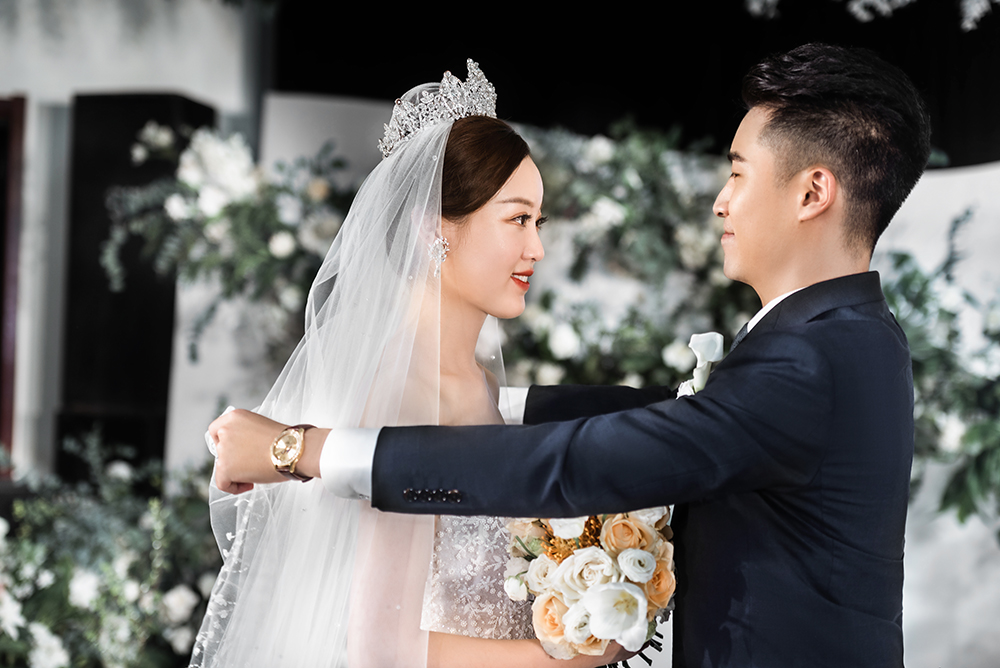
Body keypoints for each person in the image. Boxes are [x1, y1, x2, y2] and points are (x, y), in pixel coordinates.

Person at [214, 43, 931, 666]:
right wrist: (474, 401)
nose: (720, 201)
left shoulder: (812, 359)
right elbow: (674, 416)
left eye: (738, 173)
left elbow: (593, 459)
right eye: (518, 219)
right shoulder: (850, 336)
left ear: (812, 192)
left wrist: (301, 449)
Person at [197, 61, 632, 667]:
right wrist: (575, 654)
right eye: (517, 219)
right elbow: (381, 647)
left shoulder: (477, 383)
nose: (536, 247)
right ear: (435, 230)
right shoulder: (401, 393)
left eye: (538, 221)